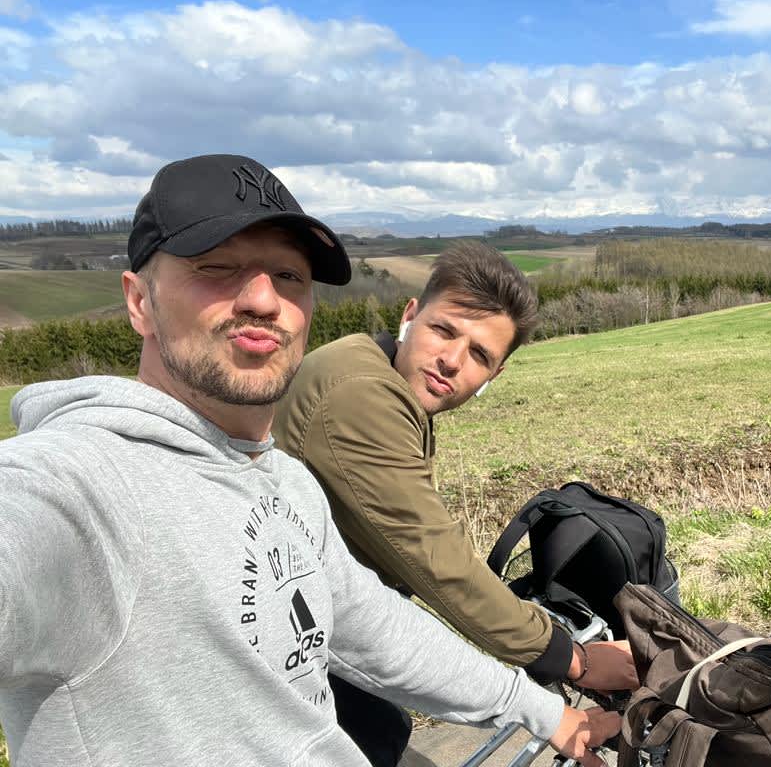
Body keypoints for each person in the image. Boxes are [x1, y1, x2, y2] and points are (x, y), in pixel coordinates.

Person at [0, 154, 620, 767]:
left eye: (289, 277)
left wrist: (548, 715)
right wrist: (574, 660)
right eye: (217, 267)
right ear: (139, 302)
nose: (263, 299)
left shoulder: (283, 484)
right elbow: (438, 561)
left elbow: (374, 628)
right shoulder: (79, 486)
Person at [273, 241, 638, 766]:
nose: (452, 360)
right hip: (293, 660)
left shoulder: (375, 371)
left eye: (480, 355)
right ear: (410, 316)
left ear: (495, 376)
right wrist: (572, 659)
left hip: (322, 633)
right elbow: (437, 563)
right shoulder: (359, 396)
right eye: (444, 331)